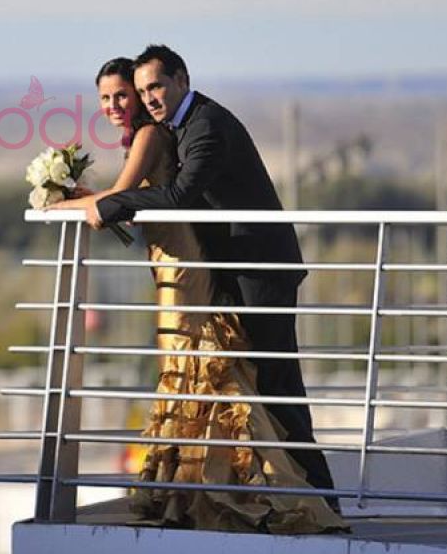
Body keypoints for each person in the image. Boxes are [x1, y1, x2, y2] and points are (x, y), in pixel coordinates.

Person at [53, 53, 344, 532]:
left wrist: (111, 203)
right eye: (139, 92)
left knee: (276, 384)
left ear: (181, 79)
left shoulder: (204, 125)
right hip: (228, 267)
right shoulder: (180, 124)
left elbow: (179, 195)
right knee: (255, 380)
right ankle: (275, 492)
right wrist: (82, 200)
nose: (148, 98)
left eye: (152, 88)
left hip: (258, 268)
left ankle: (318, 502)